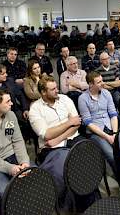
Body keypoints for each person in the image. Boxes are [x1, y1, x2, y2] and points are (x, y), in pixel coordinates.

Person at [29, 76, 83, 208]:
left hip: (70, 138)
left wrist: (59, 137)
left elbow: (77, 123)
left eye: (56, 87)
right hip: (50, 148)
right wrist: (69, 122)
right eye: (52, 89)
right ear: (43, 92)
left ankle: (85, 199)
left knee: (87, 157)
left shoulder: (65, 99)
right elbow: (47, 134)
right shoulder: (35, 109)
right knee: (66, 167)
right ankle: (67, 204)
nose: (57, 91)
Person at [78, 71, 118, 176]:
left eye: (102, 80)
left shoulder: (106, 93)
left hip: (110, 127)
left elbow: (113, 115)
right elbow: (88, 123)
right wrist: (107, 137)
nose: (103, 83)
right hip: (95, 132)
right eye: (99, 82)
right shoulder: (83, 98)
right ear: (91, 84)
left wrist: (114, 133)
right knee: (111, 155)